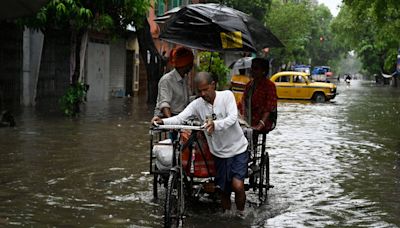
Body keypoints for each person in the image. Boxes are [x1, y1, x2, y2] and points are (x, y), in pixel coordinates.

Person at [152, 72, 249, 216]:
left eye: (205, 89)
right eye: (199, 91)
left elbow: (232, 118)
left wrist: (215, 125)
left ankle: (241, 214)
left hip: (238, 149)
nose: (203, 94)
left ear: (213, 85)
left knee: (238, 185)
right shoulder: (197, 105)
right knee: (224, 190)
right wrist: (163, 121)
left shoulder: (227, 96)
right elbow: (180, 118)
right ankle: (228, 217)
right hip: (219, 153)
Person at [238, 58, 277, 133]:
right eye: (252, 68)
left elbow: (269, 108)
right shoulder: (250, 85)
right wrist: (242, 118)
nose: (252, 71)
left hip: (263, 120)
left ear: (263, 71)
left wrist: (260, 125)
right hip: (248, 118)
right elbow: (243, 101)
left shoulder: (269, 86)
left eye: (255, 68)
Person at [154, 47, 194, 118]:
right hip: (166, 117)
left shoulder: (184, 79)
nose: (192, 67)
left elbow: (188, 101)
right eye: (190, 64)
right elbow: (164, 105)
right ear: (185, 65)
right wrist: (171, 122)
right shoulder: (167, 80)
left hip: (180, 117)